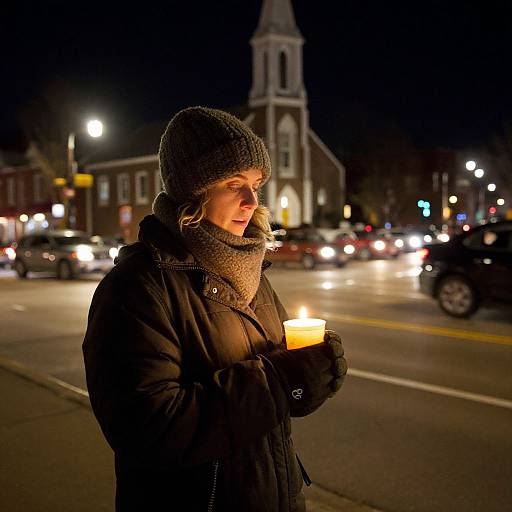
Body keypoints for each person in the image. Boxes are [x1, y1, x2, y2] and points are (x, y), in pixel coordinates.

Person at [83, 107, 347, 511]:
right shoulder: (138, 288)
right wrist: (279, 380)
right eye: (233, 183)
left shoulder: (251, 270)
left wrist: (311, 374)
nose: (251, 200)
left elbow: (277, 400)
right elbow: (149, 429)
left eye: (256, 184)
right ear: (193, 191)